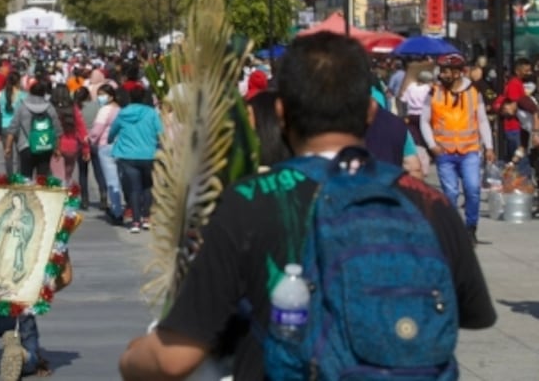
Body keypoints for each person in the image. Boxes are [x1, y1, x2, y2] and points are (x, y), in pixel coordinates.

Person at [118, 32, 497, 380]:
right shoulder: (429, 202)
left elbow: (174, 358)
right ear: (370, 111)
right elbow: (471, 314)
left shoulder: (250, 201)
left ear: (281, 112)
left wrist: (132, 358)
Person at [421, 53, 495, 243]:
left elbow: (483, 121)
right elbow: (424, 121)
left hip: (469, 150)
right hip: (444, 152)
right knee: (451, 193)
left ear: (457, 73)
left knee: (472, 189)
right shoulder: (433, 93)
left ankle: (471, 227)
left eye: (446, 71)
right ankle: (453, 230)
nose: (442, 75)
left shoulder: (473, 92)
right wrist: (432, 145)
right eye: (442, 71)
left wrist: (489, 147)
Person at [109, 85, 163, 233]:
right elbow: (161, 132)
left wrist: (110, 139)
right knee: (148, 186)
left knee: (134, 188)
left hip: (127, 155)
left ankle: (135, 221)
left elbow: (113, 131)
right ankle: (147, 218)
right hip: (148, 154)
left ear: (130, 98)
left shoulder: (123, 113)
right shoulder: (152, 113)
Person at [5, 80, 63, 179]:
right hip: (45, 146)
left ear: (30, 92)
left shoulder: (22, 106)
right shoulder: (49, 107)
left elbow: (13, 128)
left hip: (26, 146)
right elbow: (58, 130)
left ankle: (27, 194)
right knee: (43, 180)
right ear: (44, 93)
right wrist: (57, 148)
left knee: (25, 178)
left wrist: (8, 147)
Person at [89, 84, 124, 225]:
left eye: (102, 94)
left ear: (110, 96)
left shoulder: (104, 110)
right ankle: (123, 208)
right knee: (120, 179)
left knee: (111, 181)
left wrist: (90, 139)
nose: (100, 98)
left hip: (105, 146)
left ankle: (117, 211)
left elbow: (97, 130)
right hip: (121, 146)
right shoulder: (121, 110)